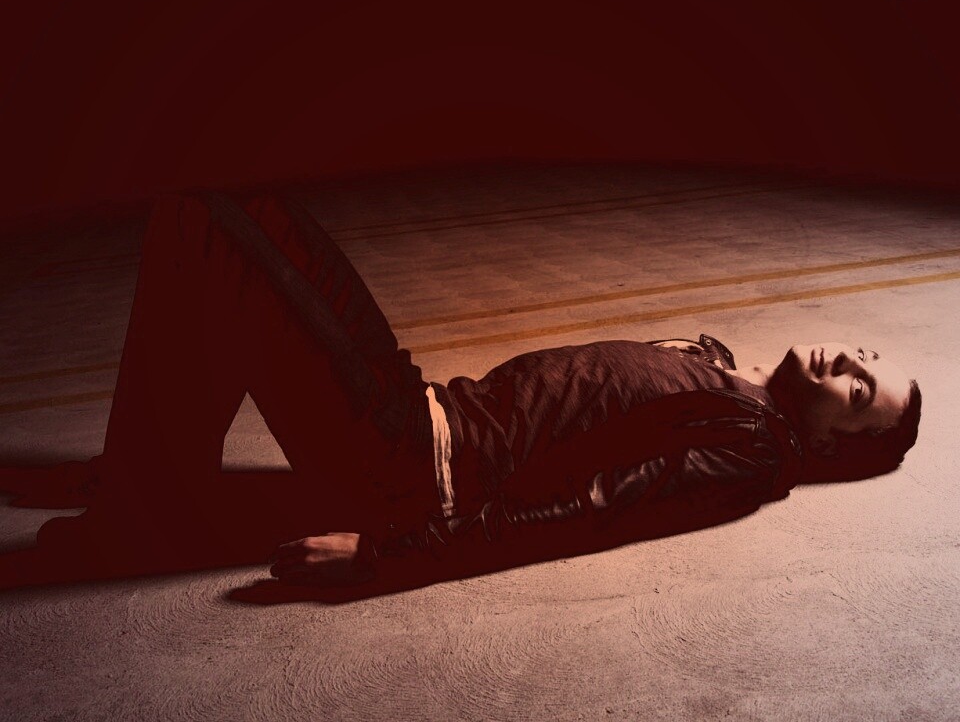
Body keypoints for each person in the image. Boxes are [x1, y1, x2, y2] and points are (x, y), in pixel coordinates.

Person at [34, 191, 922, 588]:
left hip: (407, 462)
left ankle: (139, 507)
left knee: (209, 227)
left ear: (830, 443)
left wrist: (385, 557)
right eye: (864, 357)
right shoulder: (720, 367)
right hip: (421, 406)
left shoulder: (751, 447)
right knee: (237, 215)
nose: (846, 364)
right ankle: (151, 481)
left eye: (858, 393)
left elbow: (589, 512)